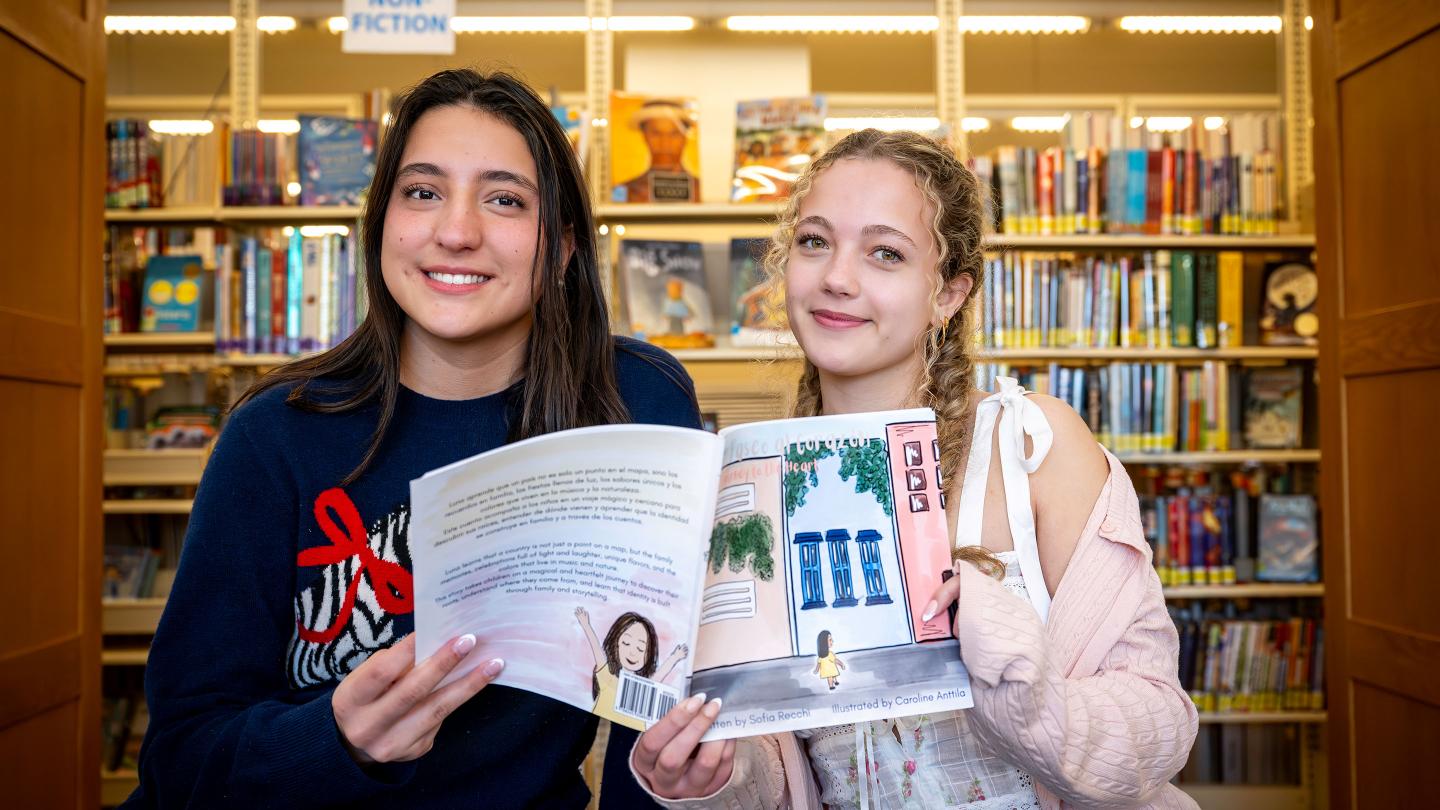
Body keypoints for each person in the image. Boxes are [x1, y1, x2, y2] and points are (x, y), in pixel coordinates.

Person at [124, 68, 700, 809]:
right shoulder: (274, 436)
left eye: (504, 200)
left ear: (559, 251)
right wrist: (337, 740)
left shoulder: (631, 407)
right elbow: (181, 758)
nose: (456, 233)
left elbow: (650, 738)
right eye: (422, 192)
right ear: (382, 222)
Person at [629, 129, 1199, 809]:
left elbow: (1159, 728)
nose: (837, 277)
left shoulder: (1033, 448)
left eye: (885, 253)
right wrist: (716, 777)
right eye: (814, 241)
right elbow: (795, 776)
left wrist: (1005, 660)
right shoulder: (754, 488)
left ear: (948, 295)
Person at [616, 99, 700, 203]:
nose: (665, 143)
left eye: (674, 134)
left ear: (685, 138)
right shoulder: (627, 190)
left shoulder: (699, 191)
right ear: (644, 136)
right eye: (656, 134)